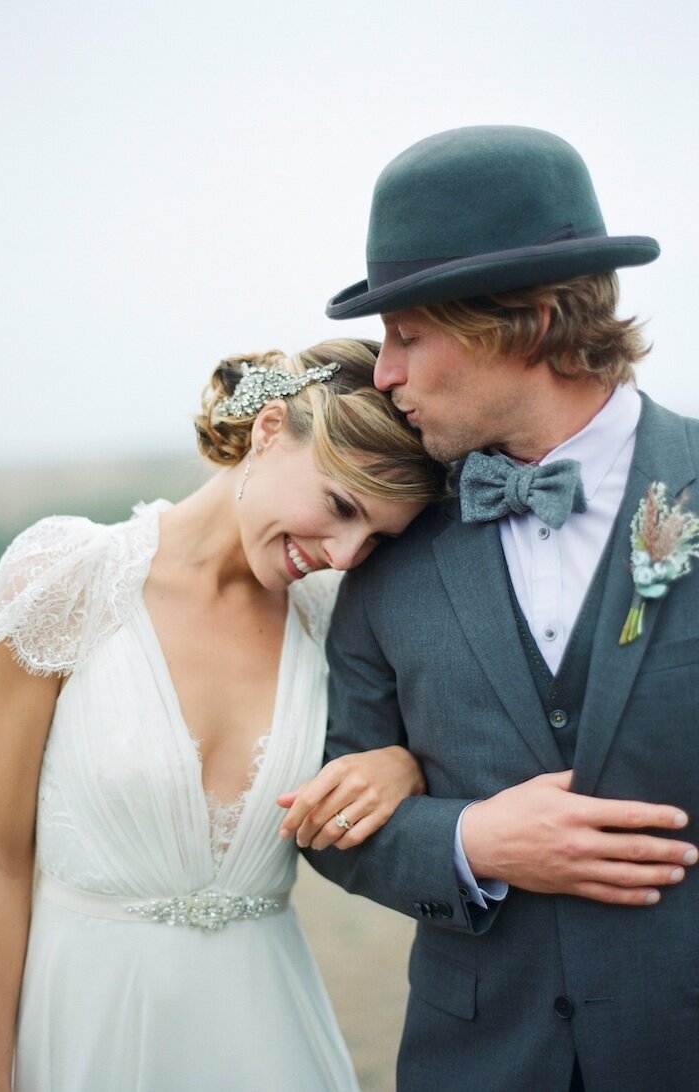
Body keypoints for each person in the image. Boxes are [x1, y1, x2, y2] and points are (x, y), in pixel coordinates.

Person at [282, 127, 699, 1091]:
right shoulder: (391, 548)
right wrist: (469, 842)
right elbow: (336, 817)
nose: (383, 374)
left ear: (531, 323)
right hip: (478, 1060)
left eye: (409, 336)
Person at [0, 337, 444, 1092]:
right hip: (87, 1029)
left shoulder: (334, 622)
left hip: (272, 1042)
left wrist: (400, 764)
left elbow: (388, 764)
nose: (346, 554)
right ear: (269, 429)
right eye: (342, 506)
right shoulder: (65, 580)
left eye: (376, 536)